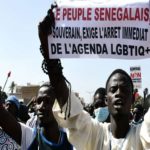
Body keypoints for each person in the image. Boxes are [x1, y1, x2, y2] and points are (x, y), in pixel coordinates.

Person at [38, 6, 150, 150]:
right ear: (106, 100)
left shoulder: (142, 134)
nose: (119, 93)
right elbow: (70, 109)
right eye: (113, 89)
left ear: (133, 99)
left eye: (124, 89)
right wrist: (49, 53)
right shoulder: (95, 133)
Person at [0, 82, 73, 150]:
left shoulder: (72, 143)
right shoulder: (31, 137)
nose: (41, 107)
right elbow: (2, 115)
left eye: (47, 101)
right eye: (39, 101)